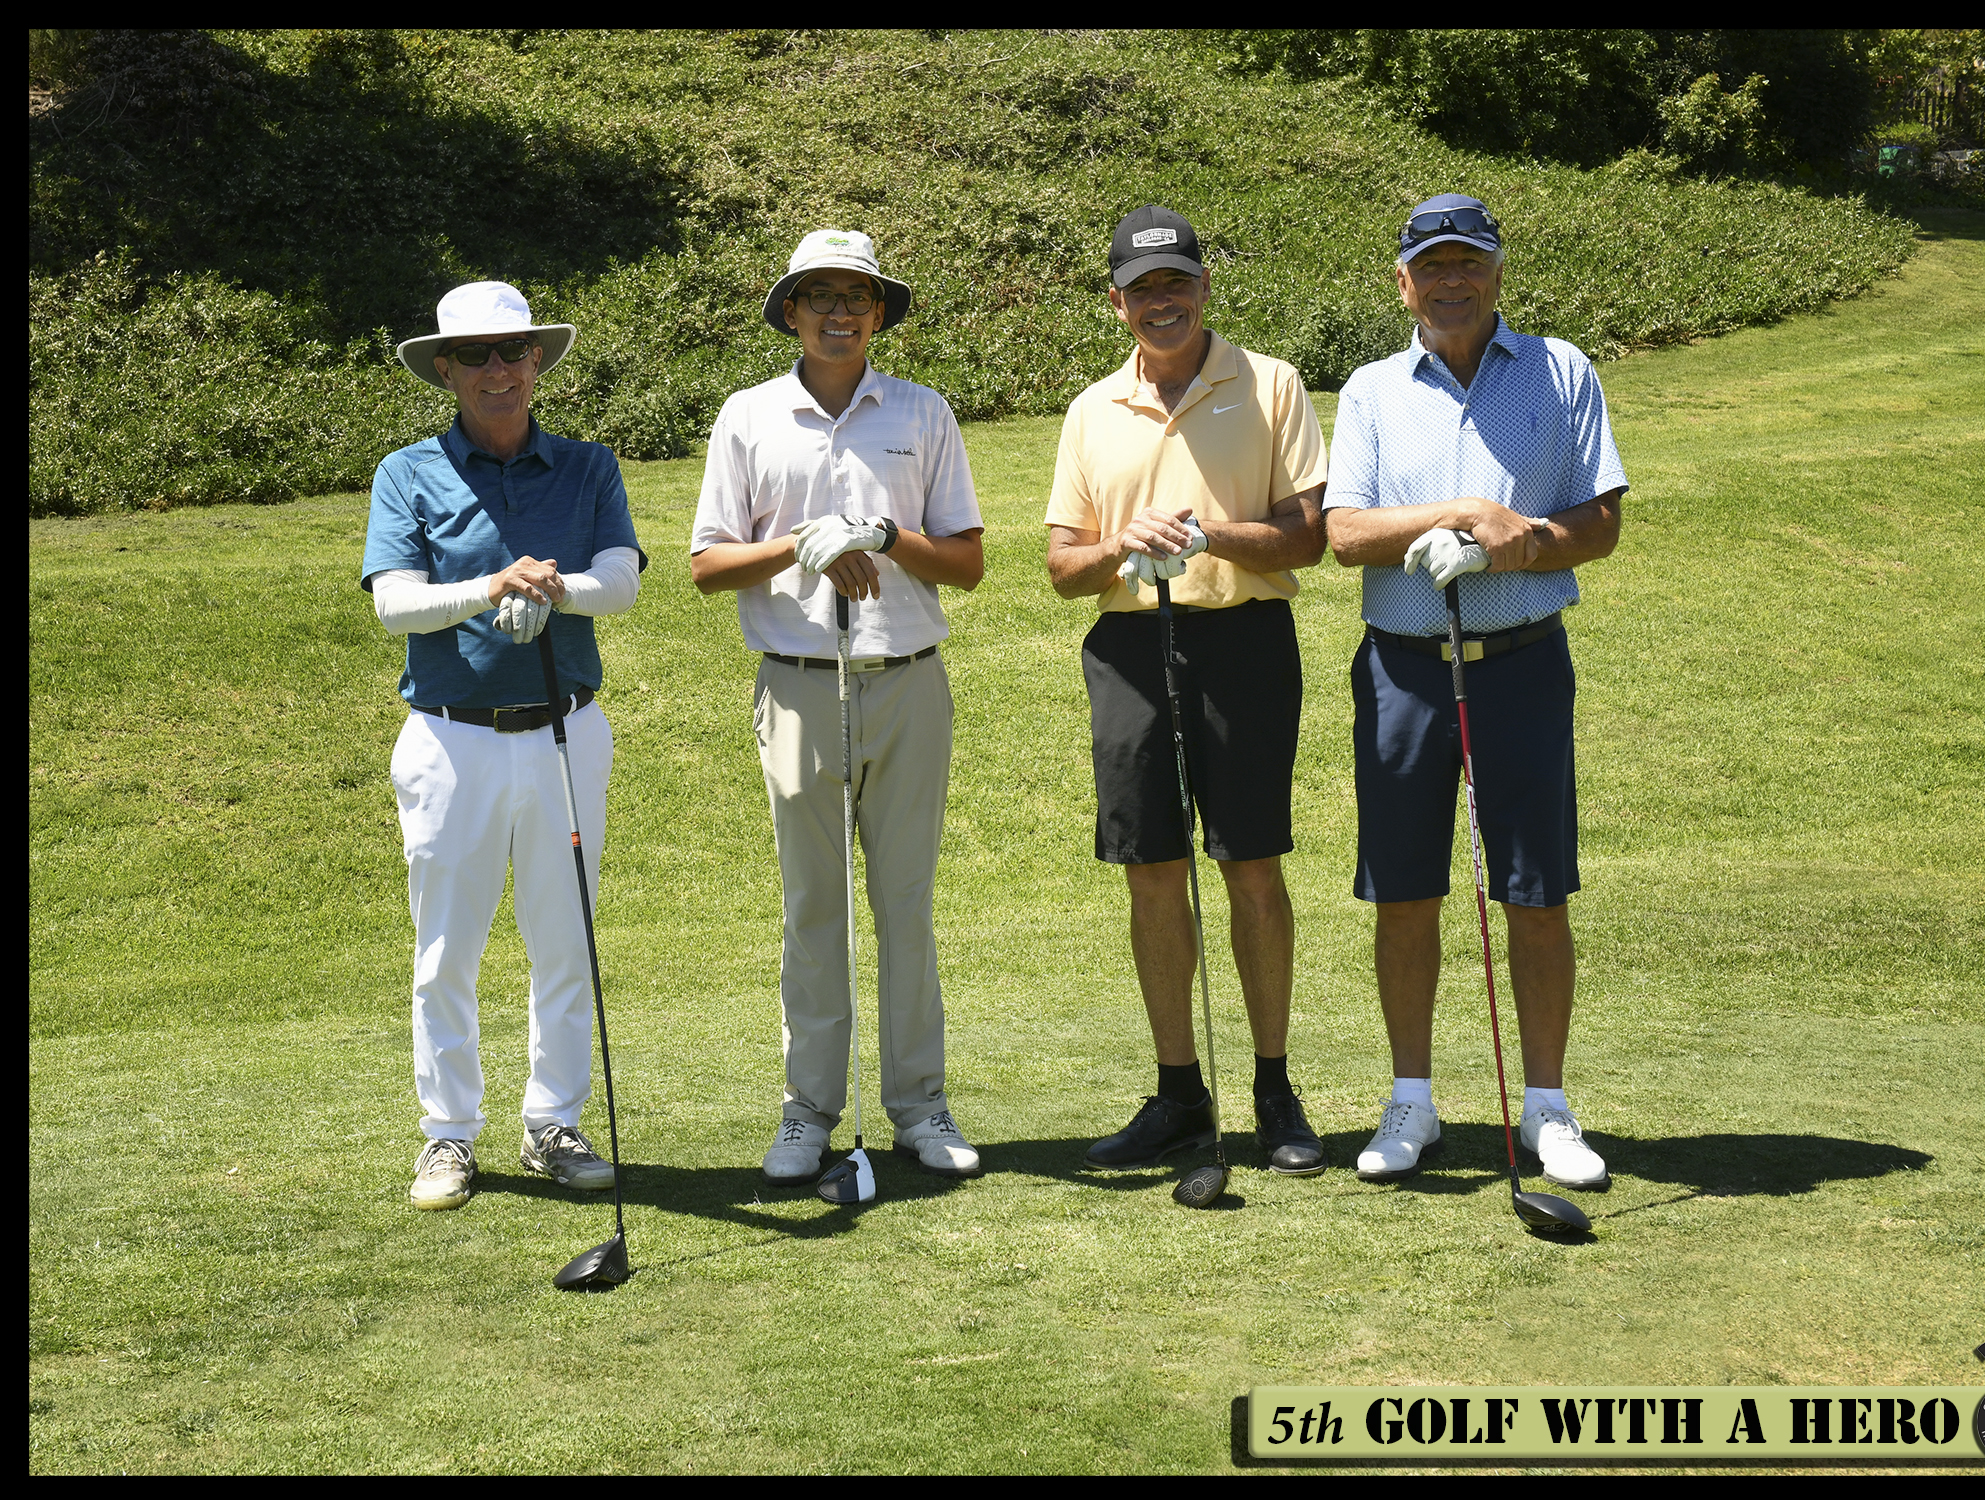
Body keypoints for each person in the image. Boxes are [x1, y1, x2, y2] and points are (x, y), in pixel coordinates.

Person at [1324, 194, 1626, 1191]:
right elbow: (1344, 534)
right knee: (1404, 890)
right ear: (1403, 283)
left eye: (1469, 263)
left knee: (1536, 890)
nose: (1451, 281)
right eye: (1433, 267)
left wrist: (1514, 544)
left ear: (1497, 271)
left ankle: (1547, 1109)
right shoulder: (1370, 390)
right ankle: (1410, 1102)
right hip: (1404, 671)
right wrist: (1457, 515)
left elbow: (1599, 523)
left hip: (1524, 663)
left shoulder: (1560, 370)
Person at [690, 229, 987, 1186]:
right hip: (798, 685)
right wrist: (804, 544)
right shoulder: (748, 415)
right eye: (819, 295)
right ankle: (808, 1111)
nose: (839, 313)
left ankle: (921, 1106)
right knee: (813, 907)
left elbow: (967, 562)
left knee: (905, 905)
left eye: (856, 296)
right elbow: (708, 565)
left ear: (878, 313)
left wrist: (885, 537)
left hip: (906, 679)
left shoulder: (922, 411)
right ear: (791, 311)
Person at [1045, 206, 1332, 1176]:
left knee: (1251, 865)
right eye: (1143, 289)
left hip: (1244, 642)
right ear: (1116, 302)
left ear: (1205, 287)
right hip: (1131, 649)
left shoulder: (1271, 384)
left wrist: (1208, 535)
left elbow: (1306, 537)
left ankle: (1274, 1090)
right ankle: (1178, 1093)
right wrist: (1119, 545)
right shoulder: (1092, 410)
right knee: (1152, 870)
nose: (1161, 302)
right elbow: (1063, 568)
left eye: (1178, 282)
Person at [363, 280, 646, 1211]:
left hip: (565, 730)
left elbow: (620, 580)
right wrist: (491, 587)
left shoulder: (587, 465)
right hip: (453, 741)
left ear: (536, 362)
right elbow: (395, 603)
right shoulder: (408, 472)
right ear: (445, 369)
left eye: (513, 352)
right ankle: (447, 1134)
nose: (498, 370)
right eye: (475, 355)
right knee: (447, 949)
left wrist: (555, 590)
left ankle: (553, 1123)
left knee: (564, 939)